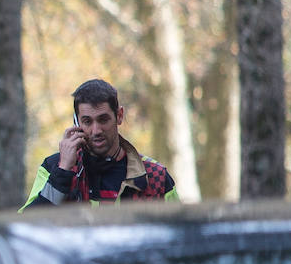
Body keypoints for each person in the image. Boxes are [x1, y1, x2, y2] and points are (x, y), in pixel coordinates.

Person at [22, 78, 179, 209]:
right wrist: (62, 173)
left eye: (103, 119)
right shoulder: (53, 167)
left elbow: (180, 237)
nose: (96, 130)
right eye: (87, 121)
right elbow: (23, 232)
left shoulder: (155, 176)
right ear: (76, 122)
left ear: (119, 116)